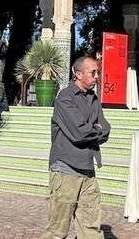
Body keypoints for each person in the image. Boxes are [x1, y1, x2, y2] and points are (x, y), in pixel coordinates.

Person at [44, 56, 111, 239]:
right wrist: (94, 129)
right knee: (57, 230)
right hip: (66, 169)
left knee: (90, 227)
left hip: (88, 169)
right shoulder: (65, 98)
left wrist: (95, 130)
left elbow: (105, 129)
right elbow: (79, 133)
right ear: (79, 75)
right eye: (93, 72)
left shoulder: (93, 98)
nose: (97, 76)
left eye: (98, 72)